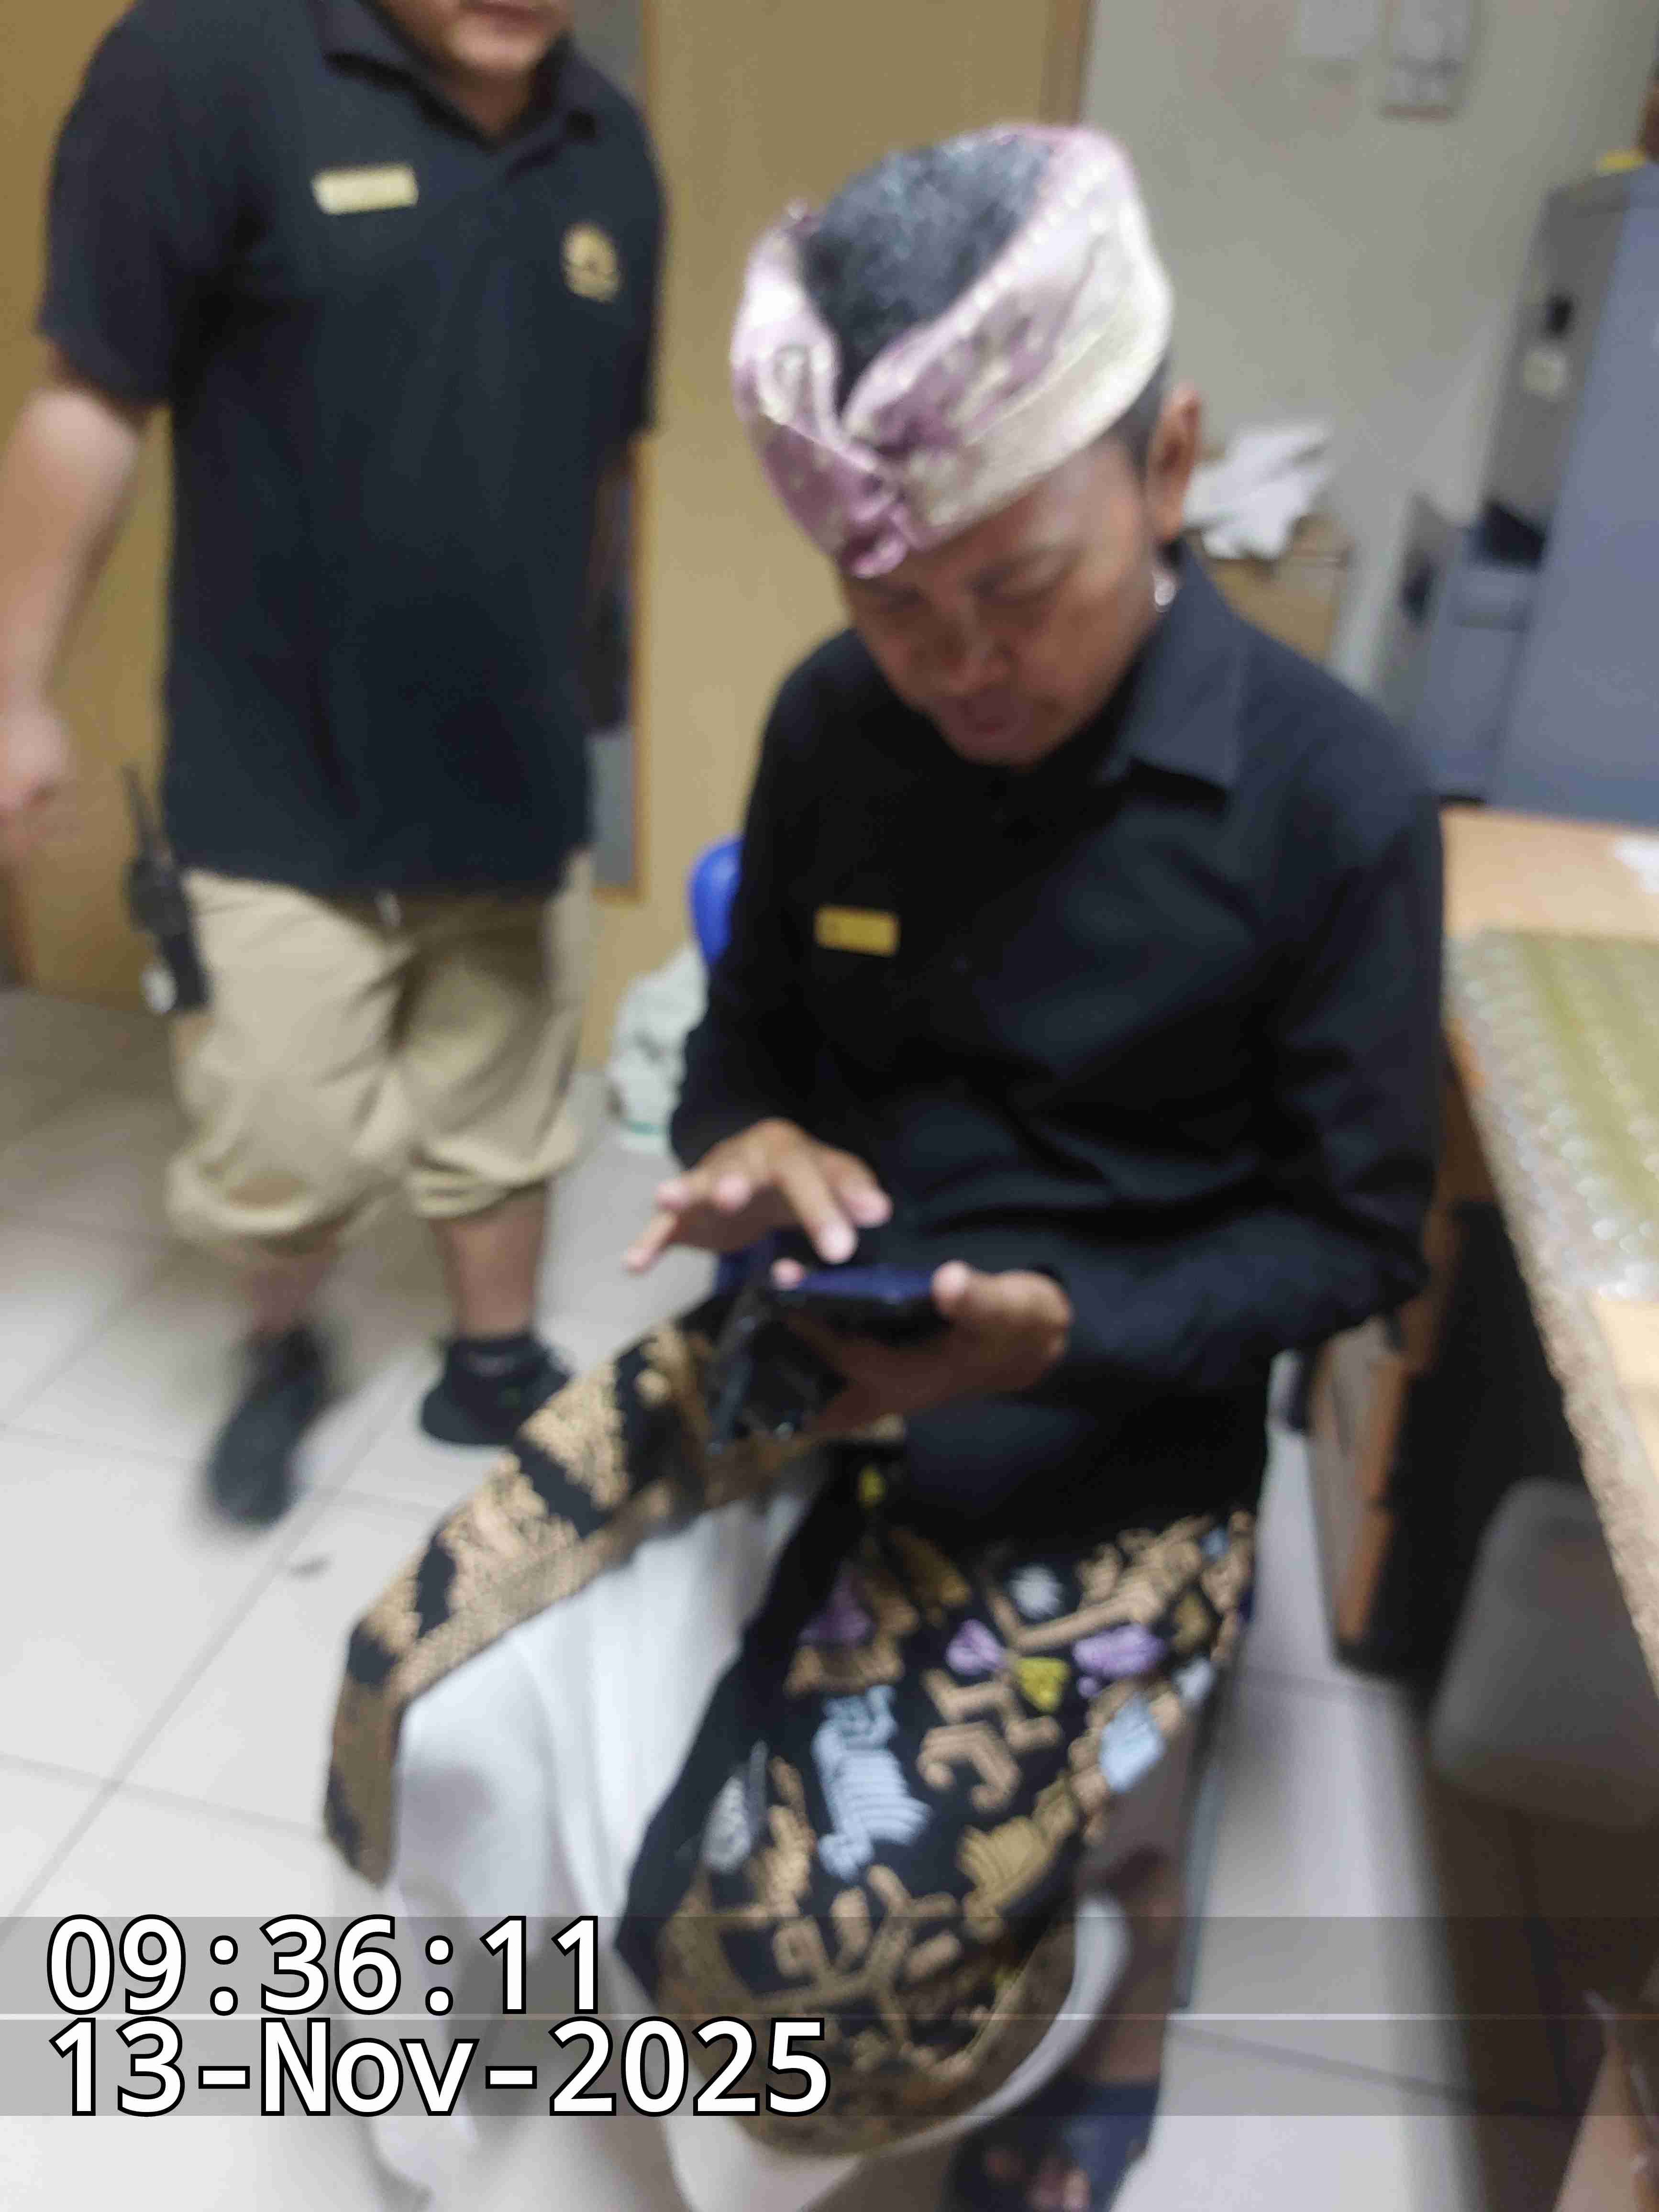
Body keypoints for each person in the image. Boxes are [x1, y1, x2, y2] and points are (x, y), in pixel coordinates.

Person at [326, 124, 1440, 2212]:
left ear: (1168, 465)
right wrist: (740, 1137)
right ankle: (525, 2068)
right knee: (411, 1689)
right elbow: (742, 1046)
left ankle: (1104, 1965)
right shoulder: (837, 725)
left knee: (788, 1982)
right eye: (894, 600)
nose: (957, 665)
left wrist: (1065, 1331)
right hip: (809, 1351)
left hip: (1107, 1431)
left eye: (1015, 589)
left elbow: (1356, 1232)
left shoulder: (1336, 800)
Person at [0, 0, 663, 1524]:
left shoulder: (608, 144)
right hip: (274, 771)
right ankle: (281, 1352)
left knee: (502, 1100)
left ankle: (493, 1363)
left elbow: (607, 455)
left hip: (512, 769)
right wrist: (14, 689)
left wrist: (599, 679)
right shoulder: (200, 66)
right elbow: (89, 396)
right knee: (282, 1138)